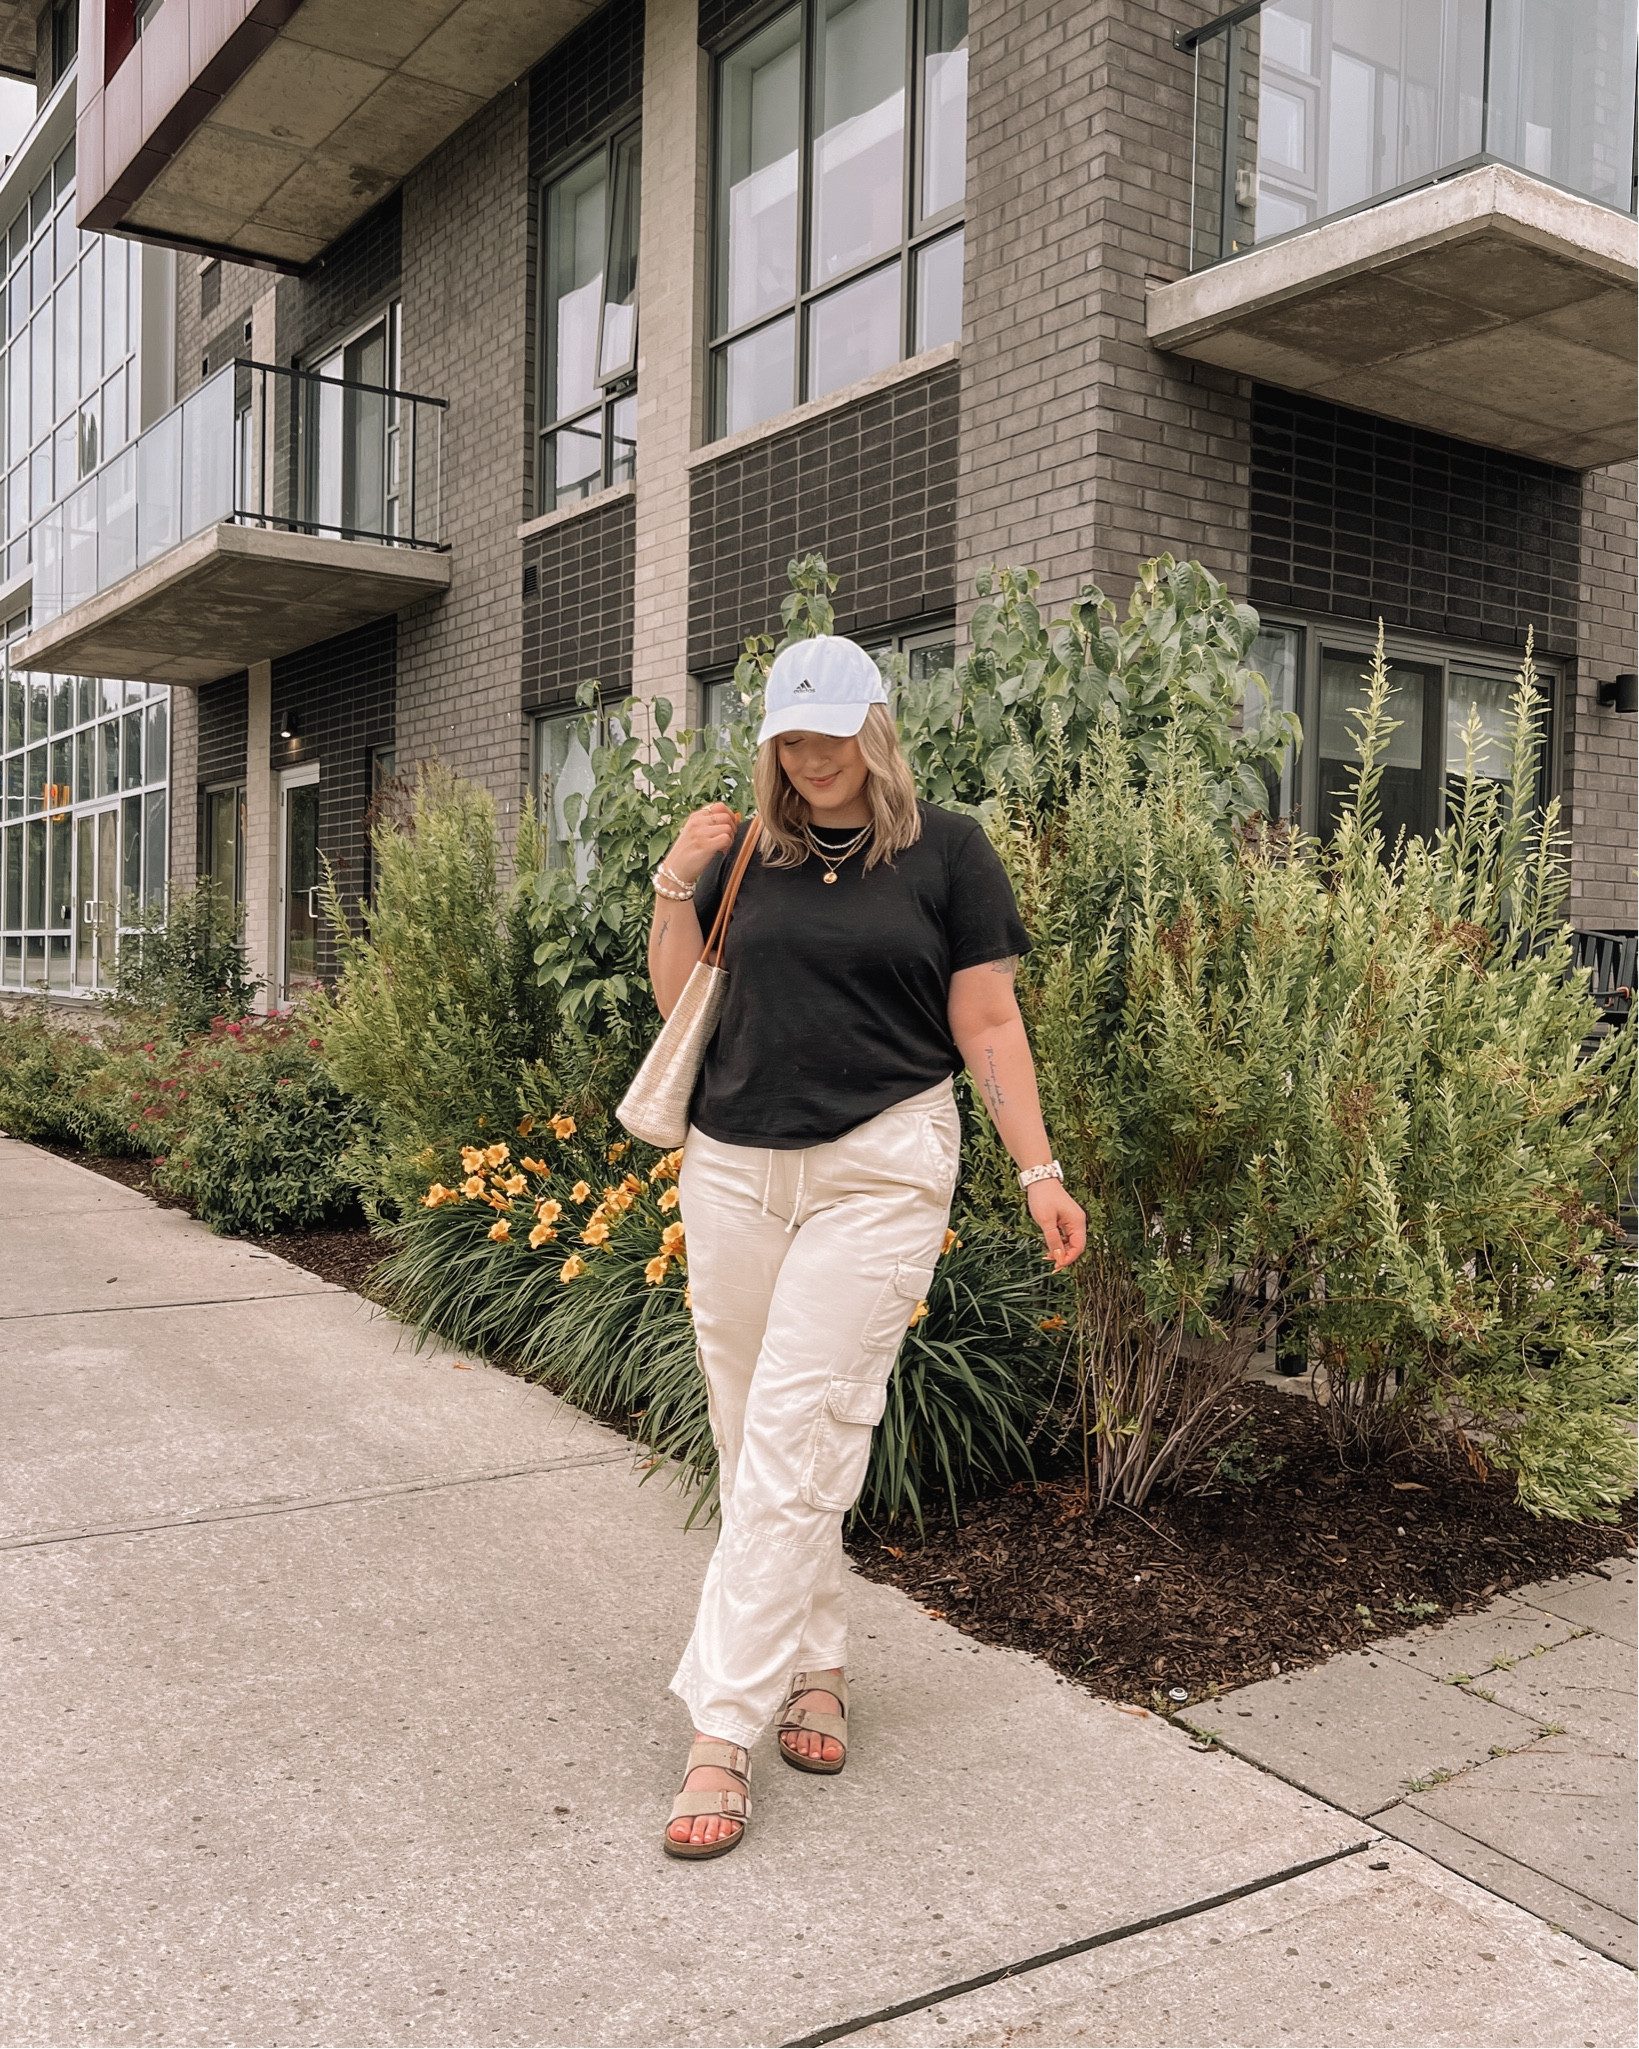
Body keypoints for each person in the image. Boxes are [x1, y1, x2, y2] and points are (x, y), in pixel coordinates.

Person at [646, 634, 1086, 1860]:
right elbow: (682, 997)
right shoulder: (744, 852)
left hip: (882, 1165)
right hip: (733, 1166)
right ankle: (819, 1662)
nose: (815, 755)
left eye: (835, 731)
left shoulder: (947, 852)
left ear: (877, 727)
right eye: (794, 734)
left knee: (797, 1428)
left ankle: (718, 1731)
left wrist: (1038, 1170)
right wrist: (674, 885)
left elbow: (988, 1021)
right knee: (754, 1435)